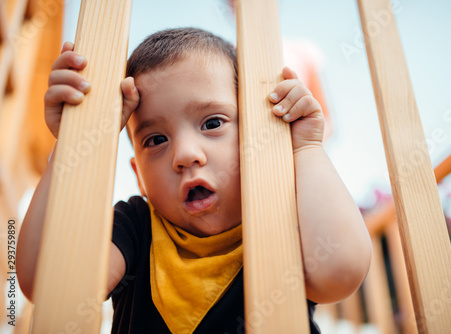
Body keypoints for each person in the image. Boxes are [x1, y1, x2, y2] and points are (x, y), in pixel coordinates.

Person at [17, 28, 372, 333]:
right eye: (156, 140)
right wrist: (72, 145)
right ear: (139, 177)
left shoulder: (283, 219)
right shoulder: (135, 227)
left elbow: (340, 271)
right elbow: (49, 283)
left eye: (212, 123)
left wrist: (305, 149)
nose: (186, 154)